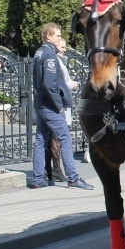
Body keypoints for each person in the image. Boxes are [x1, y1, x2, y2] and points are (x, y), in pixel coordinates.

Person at [31, 23, 93, 190]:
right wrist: (58, 105)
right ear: (48, 36)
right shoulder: (50, 55)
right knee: (65, 138)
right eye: (57, 36)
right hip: (50, 105)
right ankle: (73, 178)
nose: (60, 39)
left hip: (41, 104)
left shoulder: (39, 52)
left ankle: (38, 178)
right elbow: (49, 84)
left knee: (40, 139)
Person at [45, 38, 80, 183]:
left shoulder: (58, 60)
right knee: (57, 137)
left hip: (57, 102)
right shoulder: (55, 61)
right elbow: (61, 84)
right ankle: (56, 169)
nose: (64, 50)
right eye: (62, 47)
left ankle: (51, 169)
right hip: (59, 103)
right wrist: (73, 84)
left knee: (52, 137)